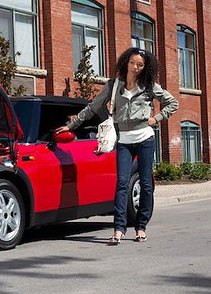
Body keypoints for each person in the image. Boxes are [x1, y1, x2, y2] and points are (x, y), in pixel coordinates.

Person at [55, 47, 178, 245]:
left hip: (145, 139)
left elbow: (173, 103)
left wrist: (157, 118)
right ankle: (119, 229)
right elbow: (92, 108)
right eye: (132, 63)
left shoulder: (149, 86)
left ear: (144, 67)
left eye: (140, 65)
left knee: (146, 185)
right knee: (121, 184)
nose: (135, 68)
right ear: (126, 62)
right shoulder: (113, 85)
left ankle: (141, 227)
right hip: (124, 141)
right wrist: (71, 125)